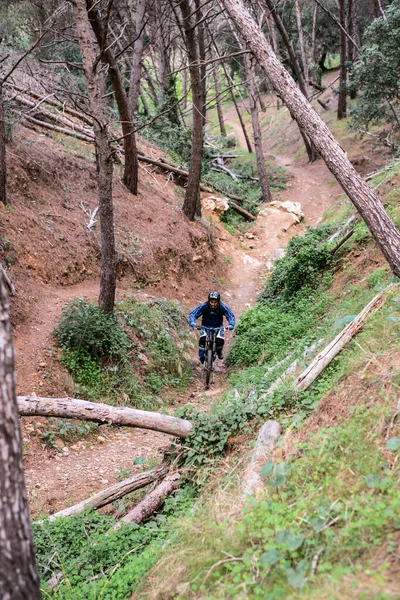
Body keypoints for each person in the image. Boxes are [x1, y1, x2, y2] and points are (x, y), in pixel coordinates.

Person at [189, 291, 235, 363]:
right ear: (209, 301)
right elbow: (194, 313)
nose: (213, 304)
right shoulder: (205, 306)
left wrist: (231, 324)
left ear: (218, 301)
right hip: (205, 326)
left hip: (218, 326)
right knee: (202, 339)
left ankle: (219, 352)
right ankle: (201, 356)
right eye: (211, 302)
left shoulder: (222, 307)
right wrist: (192, 322)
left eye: (215, 302)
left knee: (220, 340)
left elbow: (230, 314)